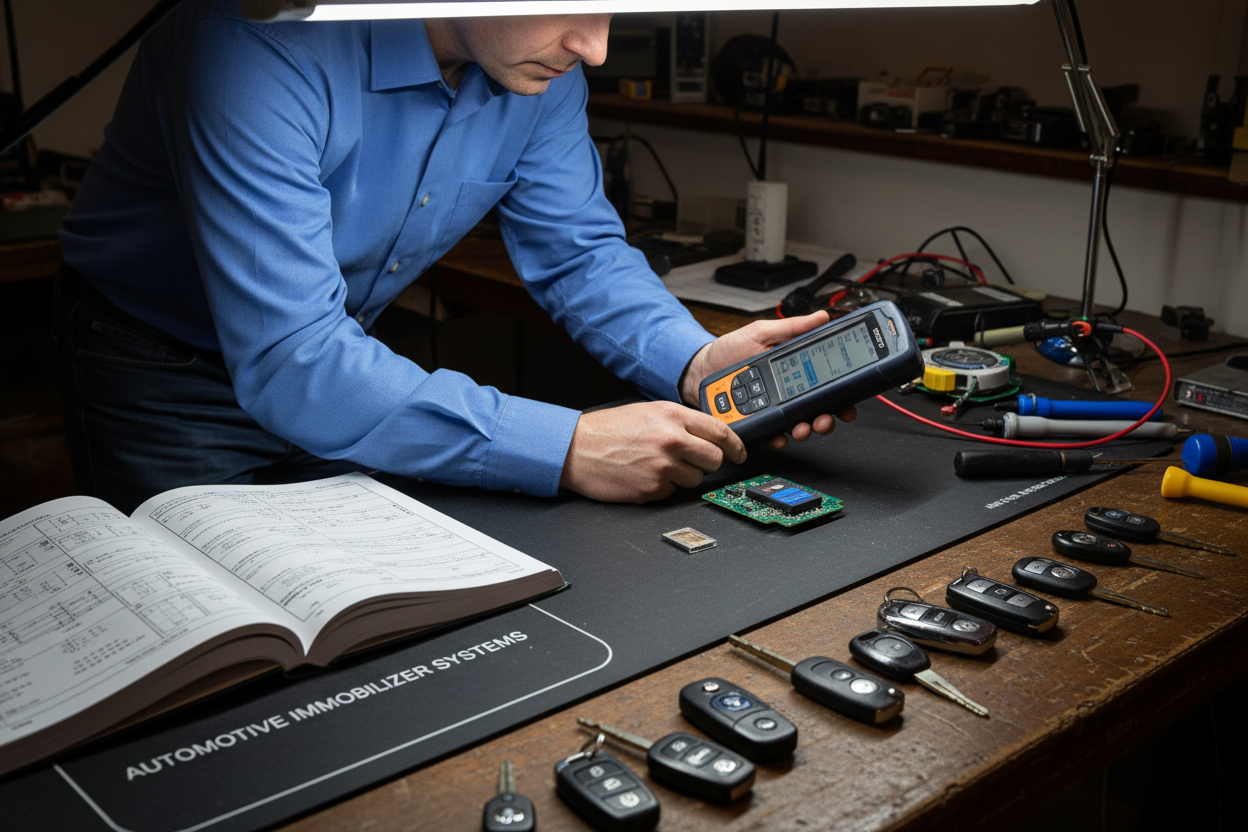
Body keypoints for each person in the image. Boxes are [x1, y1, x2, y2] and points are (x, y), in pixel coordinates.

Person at [53, 1, 854, 514]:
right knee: (215, 660)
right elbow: (294, 361)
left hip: (348, 360)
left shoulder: (539, 65)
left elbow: (578, 254)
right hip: (160, 369)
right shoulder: (251, 47)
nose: (596, 46)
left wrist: (698, 360)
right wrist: (570, 446)